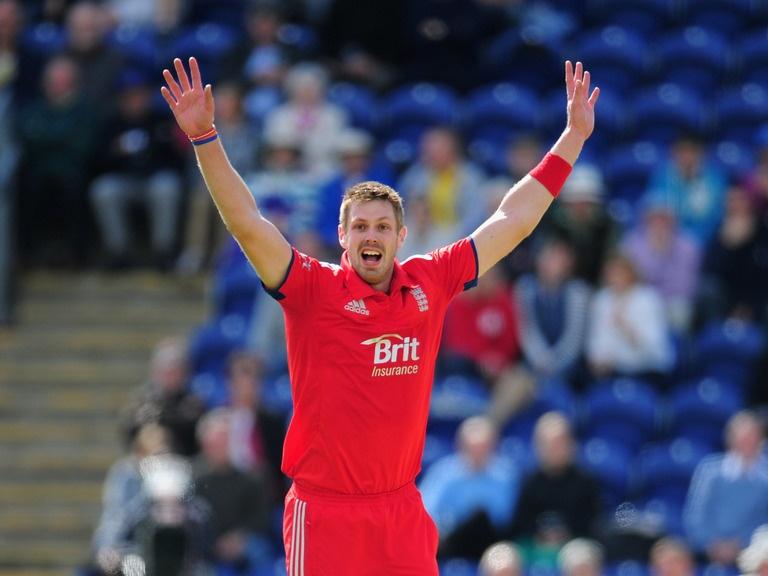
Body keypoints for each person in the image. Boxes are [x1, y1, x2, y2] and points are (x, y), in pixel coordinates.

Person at [161, 56, 598, 575]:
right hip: (325, 511)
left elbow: (513, 219)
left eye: (383, 227)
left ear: (401, 236)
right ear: (342, 237)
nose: (372, 235)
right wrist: (205, 138)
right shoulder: (312, 287)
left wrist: (572, 139)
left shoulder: (430, 280)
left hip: (400, 510)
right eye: (360, 226)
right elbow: (248, 223)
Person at [89, 70, 184, 270]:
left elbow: (176, 161)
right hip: (124, 181)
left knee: (167, 186)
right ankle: (118, 252)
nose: (135, 100)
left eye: (139, 95)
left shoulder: (160, 120)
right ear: (121, 99)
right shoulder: (111, 123)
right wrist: (116, 152)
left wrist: (155, 147)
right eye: (129, 96)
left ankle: (163, 252)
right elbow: (96, 162)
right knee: (103, 190)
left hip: (154, 180)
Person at [419, 416, 519, 559]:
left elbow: (507, 518)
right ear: (460, 446)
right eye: (472, 448)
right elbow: (427, 512)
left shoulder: (506, 475)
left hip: (492, 544)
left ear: (493, 446)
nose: (478, 453)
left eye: (483, 447)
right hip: (453, 541)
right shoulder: (443, 473)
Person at [508, 412, 602, 564]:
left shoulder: (587, 483)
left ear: (571, 444)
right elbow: (519, 527)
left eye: (559, 443)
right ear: (538, 446)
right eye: (548, 444)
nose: (554, 449)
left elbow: (592, 526)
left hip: (574, 549)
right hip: (535, 550)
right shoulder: (528, 483)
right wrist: (539, 538)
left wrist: (566, 536)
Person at [683, 410, 768, 566]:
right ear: (731, 440)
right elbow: (695, 515)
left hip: (753, 558)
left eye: (752, 437)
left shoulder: (765, 478)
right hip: (707, 555)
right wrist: (712, 545)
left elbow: (764, 521)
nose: (748, 443)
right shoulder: (709, 471)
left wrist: (741, 546)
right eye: (743, 438)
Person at [194, 409, 273, 574]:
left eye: (226, 441)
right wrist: (213, 542)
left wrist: (238, 538)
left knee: (259, 551)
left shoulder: (252, 477)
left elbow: (261, 518)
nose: (222, 447)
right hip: (207, 543)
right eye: (216, 443)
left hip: (244, 541)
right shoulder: (193, 478)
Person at [586, 253, 674, 379]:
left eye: (620, 273)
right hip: (610, 371)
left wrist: (626, 328)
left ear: (631, 274)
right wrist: (598, 361)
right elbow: (596, 343)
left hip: (646, 371)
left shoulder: (648, 299)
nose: (615, 278)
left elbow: (655, 351)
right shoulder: (602, 299)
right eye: (611, 273)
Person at [515, 238, 590, 383]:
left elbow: (574, 338)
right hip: (535, 364)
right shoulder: (525, 289)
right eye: (549, 257)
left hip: (569, 368)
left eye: (560, 259)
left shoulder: (578, 292)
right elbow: (528, 331)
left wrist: (555, 364)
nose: (553, 264)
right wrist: (542, 361)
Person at [621, 196, 701, 332]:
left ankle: (677, 344)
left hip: (671, 301)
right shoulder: (631, 244)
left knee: (680, 311)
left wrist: (666, 252)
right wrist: (656, 255)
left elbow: (686, 287)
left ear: (673, 222)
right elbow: (628, 279)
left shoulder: (688, 246)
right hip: (640, 299)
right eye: (655, 219)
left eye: (664, 219)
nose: (659, 224)